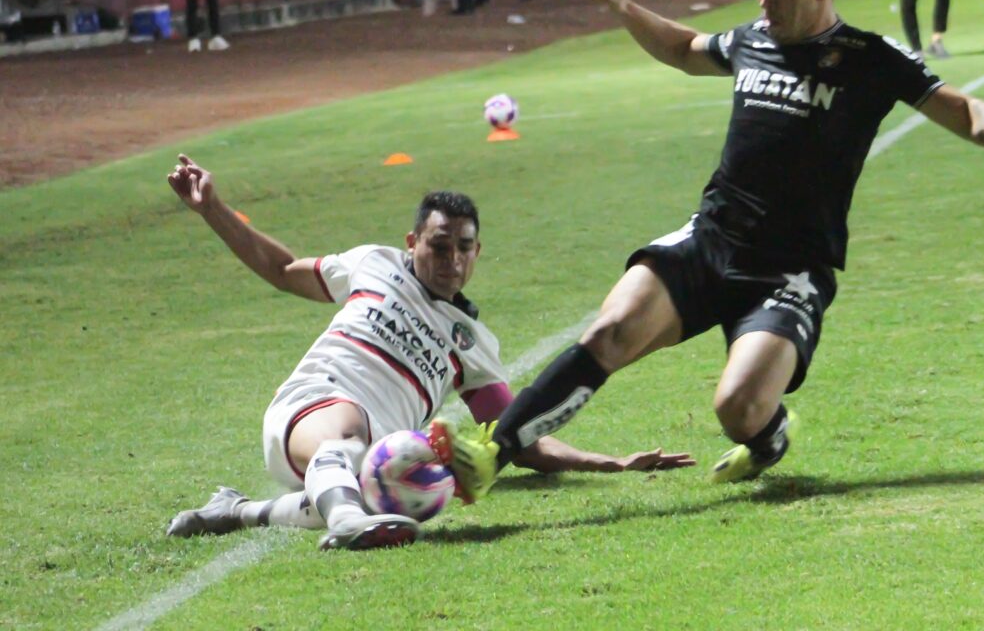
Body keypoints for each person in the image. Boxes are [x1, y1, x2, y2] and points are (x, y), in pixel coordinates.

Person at [428, 0, 984, 503]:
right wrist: (627, 9)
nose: (764, 0)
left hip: (790, 271)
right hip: (708, 241)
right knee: (610, 332)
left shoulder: (870, 59)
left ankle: (769, 437)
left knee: (737, 408)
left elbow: (959, 110)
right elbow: (684, 49)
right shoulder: (751, 40)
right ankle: (491, 454)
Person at [163, 155, 693, 550]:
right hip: (316, 402)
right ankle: (347, 521)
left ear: (477, 251)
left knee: (381, 482)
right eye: (439, 246)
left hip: (373, 455)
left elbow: (518, 436)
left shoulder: (475, 344)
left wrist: (611, 463)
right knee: (350, 438)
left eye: (464, 247)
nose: (452, 260)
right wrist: (213, 209)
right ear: (412, 241)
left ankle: (237, 510)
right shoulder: (374, 264)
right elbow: (283, 271)